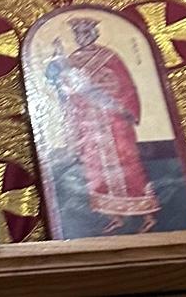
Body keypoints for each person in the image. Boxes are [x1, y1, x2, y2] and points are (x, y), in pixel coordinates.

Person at [45, 17, 158, 234]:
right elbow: (69, 93)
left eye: (85, 33)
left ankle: (148, 215)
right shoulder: (73, 60)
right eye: (78, 34)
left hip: (113, 120)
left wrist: (121, 105)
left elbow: (125, 86)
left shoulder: (109, 57)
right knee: (97, 170)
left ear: (93, 34)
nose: (81, 37)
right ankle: (115, 217)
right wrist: (61, 68)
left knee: (128, 166)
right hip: (90, 124)